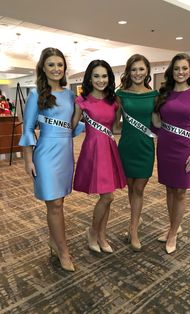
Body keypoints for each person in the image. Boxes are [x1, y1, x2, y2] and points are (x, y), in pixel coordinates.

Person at [19, 47, 84, 271]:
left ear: (64, 68)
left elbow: (72, 126)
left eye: (59, 64)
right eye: (51, 65)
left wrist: (80, 110)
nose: (56, 69)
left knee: (60, 201)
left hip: (66, 152)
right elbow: (28, 128)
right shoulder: (36, 94)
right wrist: (28, 160)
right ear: (43, 68)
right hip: (45, 153)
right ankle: (63, 251)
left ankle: (54, 242)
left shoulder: (70, 94)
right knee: (54, 203)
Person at [153, 53, 190, 254]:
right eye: (176, 68)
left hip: (184, 148)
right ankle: (173, 226)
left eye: (184, 68)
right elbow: (157, 122)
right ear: (171, 71)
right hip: (165, 147)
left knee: (181, 191)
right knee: (169, 189)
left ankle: (174, 232)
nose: (180, 72)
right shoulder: (165, 93)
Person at [73, 60, 126, 253]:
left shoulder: (114, 101)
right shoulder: (81, 101)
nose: (101, 80)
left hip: (109, 149)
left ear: (109, 78)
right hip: (93, 149)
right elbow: (71, 126)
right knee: (107, 196)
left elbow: (116, 128)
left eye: (104, 76)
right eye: (96, 76)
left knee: (108, 196)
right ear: (89, 78)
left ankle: (101, 235)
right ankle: (94, 233)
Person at [116, 54, 158, 251]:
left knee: (139, 189)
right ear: (128, 72)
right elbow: (114, 122)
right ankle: (133, 223)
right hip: (126, 146)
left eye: (141, 69)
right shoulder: (121, 94)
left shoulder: (154, 95)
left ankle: (133, 231)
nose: (137, 73)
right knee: (130, 189)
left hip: (145, 147)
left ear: (147, 71)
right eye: (134, 69)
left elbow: (157, 122)